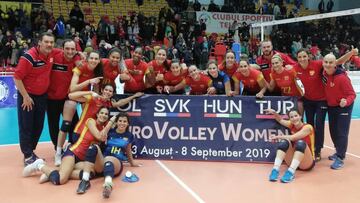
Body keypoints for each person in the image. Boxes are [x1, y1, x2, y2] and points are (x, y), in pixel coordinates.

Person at [22, 107, 115, 186]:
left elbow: (102, 138)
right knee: (61, 180)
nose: (103, 115)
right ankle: (40, 165)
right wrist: (111, 122)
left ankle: (52, 173)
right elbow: (99, 136)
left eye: (106, 114)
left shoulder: (103, 129)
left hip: (84, 159)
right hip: (73, 154)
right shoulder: (90, 121)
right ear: (97, 114)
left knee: (91, 174)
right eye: (101, 113)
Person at [294, 48, 358, 161]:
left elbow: (338, 61)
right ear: (297, 58)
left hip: (322, 101)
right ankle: (311, 147)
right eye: (300, 57)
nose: (302, 59)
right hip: (308, 101)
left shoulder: (319, 65)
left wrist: (351, 53)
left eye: (304, 56)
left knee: (319, 124)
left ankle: (318, 150)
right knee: (309, 125)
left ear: (309, 57)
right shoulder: (296, 68)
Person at [14, 32, 61, 166]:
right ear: (39, 42)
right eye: (46, 42)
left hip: (42, 96)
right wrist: (26, 97)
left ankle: (31, 152)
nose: (49, 44)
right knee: (26, 126)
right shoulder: (28, 57)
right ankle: (28, 156)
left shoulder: (52, 53)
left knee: (38, 126)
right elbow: (17, 78)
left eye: (51, 42)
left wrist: (79, 54)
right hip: (27, 96)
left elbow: (66, 51)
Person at [77, 112, 141, 198]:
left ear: (128, 123)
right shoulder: (110, 132)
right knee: (93, 147)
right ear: (116, 122)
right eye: (120, 121)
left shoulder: (129, 135)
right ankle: (85, 180)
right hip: (103, 161)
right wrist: (110, 122)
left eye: (125, 121)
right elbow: (100, 136)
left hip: (116, 163)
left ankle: (108, 185)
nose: (122, 123)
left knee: (109, 161)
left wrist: (132, 163)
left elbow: (128, 150)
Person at [47, 39, 82, 155]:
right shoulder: (55, 54)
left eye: (72, 49)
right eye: (67, 48)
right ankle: (58, 147)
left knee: (74, 122)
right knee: (53, 124)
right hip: (51, 98)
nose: (70, 51)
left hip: (67, 98)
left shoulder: (77, 60)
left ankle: (73, 144)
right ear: (62, 49)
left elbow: (79, 57)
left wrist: (78, 56)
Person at [322, 53, 356, 169]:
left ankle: (340, 157)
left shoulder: (342, 78)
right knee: (333, 130)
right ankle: (338, 151)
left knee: (341, 132)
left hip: (344, 106)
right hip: (332, 106)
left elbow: (352, 94)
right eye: (326, 62)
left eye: (331, 62)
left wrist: (346, 101)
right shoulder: (324, 74)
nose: (328, 64)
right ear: (323, 63)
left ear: (335, 63)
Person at [265, 108, 315, 183]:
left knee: (300, 143)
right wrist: (274, 113)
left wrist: (278, 136)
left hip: (307, 162)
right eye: (291, 117)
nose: (294, 118)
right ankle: (275, 170)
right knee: (284, 142)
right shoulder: (291, 125)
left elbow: (293, 137)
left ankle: (290, 173)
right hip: (293, 160)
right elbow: (280, 120)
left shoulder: (308, 127)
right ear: (290, 119)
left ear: (300, 116)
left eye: (296, 116)